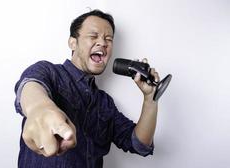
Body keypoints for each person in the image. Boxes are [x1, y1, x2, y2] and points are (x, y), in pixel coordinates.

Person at [14, 9, 160, 168]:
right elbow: (31, 86)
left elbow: (140, 145)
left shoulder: (105, 103)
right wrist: (39, 108)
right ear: (73, 43)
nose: (103, 43)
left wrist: (150, 99)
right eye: (93, 36)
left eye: (108, 39)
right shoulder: (48, 71)